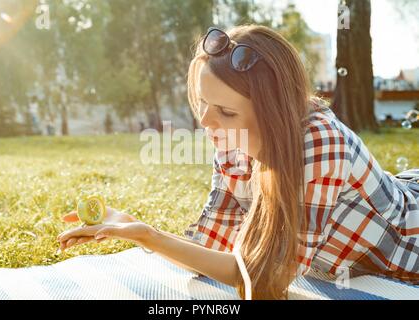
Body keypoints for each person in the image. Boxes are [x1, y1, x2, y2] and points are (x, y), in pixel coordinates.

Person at [57, 25, 419, 300]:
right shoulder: (231, 144)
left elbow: (264, 282)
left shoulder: (321, 145)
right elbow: (211, 249)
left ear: (272, 110)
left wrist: (149, 236)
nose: (205, 122)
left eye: (226, 111)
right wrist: (136, 229)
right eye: (203, 103)